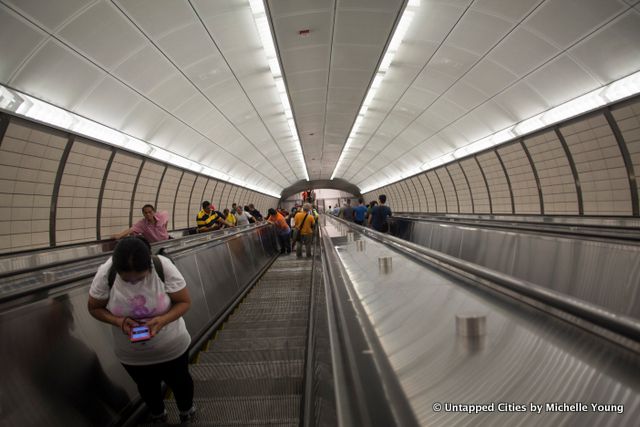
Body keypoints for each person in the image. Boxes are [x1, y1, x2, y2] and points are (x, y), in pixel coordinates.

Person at [87, 236, 196, 423]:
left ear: (149, 265)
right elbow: (94, 307)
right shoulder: (107, 273)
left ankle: (186, 410)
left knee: (181, 383)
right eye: (126, 279)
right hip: (133, 356)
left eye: (140, 277)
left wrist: (162, 320)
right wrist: (118, 321)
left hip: (172, 348)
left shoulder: (163, 267)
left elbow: (184, 302)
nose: (133, 283)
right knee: (147, 388)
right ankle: (158, 413)